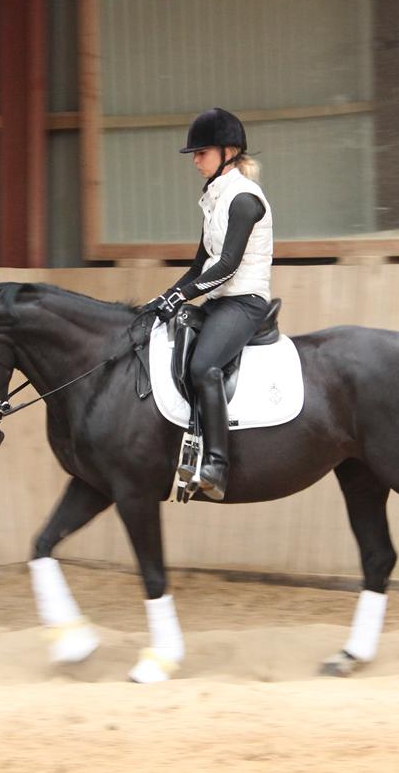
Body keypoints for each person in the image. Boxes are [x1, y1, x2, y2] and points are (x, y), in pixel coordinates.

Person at [145, 107, 273, 501]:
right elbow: (200, 264)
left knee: (204, 365)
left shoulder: (245, 200)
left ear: (228, 151)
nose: (196, 160)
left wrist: (181, 295)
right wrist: (162, 299)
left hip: (245, 301)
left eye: (202, 152)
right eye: (195, 154)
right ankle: (189, 448)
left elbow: (228, 265)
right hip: (220, 300)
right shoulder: (214, 198)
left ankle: (217, 464)